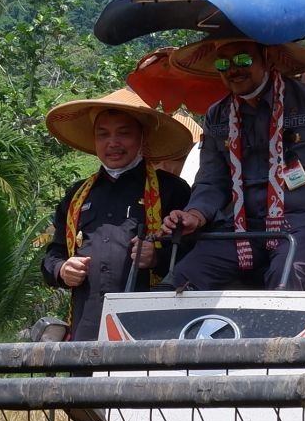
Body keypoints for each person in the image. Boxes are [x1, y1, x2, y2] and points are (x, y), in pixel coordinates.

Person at [158, 38, 305, 291]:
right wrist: (194, 215)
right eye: (224, 63)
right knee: (178, 281)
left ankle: (283, 332)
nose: (234, 70)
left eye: (244, 60)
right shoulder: (217, 115)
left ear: (267, 58)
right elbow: (212, 180)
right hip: (241, 228)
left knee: (284, 279)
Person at [42, 88, 194, 340]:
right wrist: (61, 269)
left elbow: (195, 256)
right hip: (87, 326)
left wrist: (158, 257)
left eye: (123, 133)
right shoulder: (77, 195)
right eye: (103, 134)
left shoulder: (171, 190)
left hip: (152, 327)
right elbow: (53, 255)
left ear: (142, 138)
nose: (113, 143)